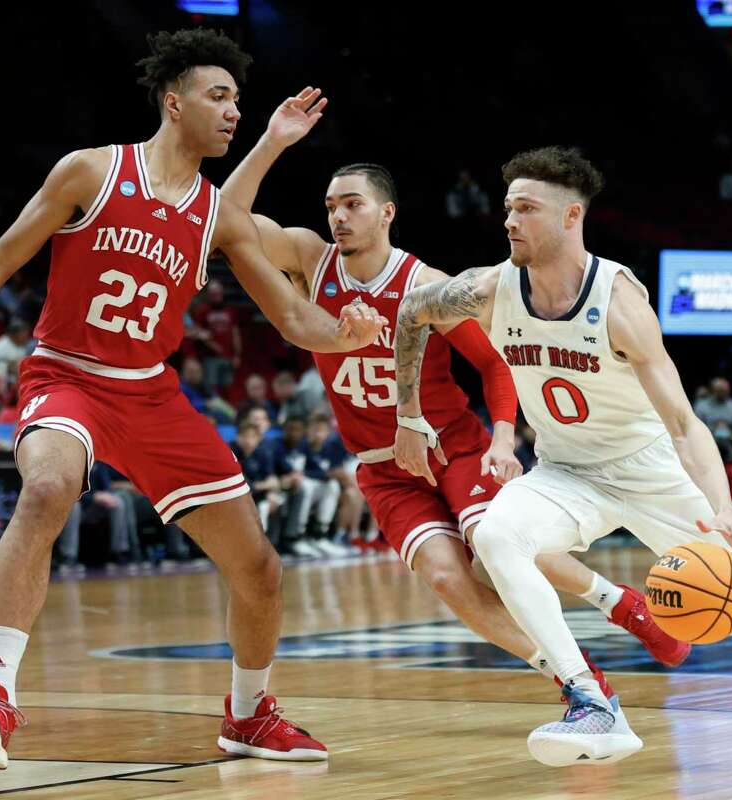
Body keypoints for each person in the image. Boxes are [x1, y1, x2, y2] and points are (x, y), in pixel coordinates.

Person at [0, 30, 388, 770]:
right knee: (48, 486)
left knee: (261, 569)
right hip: (67, 373)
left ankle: (247, 715)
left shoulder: (220, 216)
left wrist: (344, 332)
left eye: (238, 101)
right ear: (172, 102)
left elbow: (291, 317)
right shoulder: (92, 171)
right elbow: (1, 255)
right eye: (219, 96)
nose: (233, 111)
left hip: (150, 392)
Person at [393, 145, 732, 766]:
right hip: (565, 471)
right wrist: (409, 415)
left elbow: (686, 425)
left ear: (571, 216)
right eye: (508, 209)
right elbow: (412, 312)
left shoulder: (620, 302)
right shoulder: (489, 287)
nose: (509, 221)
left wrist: (724, 513)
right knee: (497, 535)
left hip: (648, 469)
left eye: (526, 209)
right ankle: (591, 702)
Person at [220, 89, 684, 682]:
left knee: (498, 544)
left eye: (353, 205)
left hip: (452, 447)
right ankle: (575, 676)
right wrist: (273, 141)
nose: (338, 216)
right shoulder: (311, 260)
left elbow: (495, 365)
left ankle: (620, 604)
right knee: (446, 577)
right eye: (331, 205)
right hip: (382, 465)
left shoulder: (427, 284)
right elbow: (221, 223)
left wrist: (500, 439)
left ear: (386, 213)